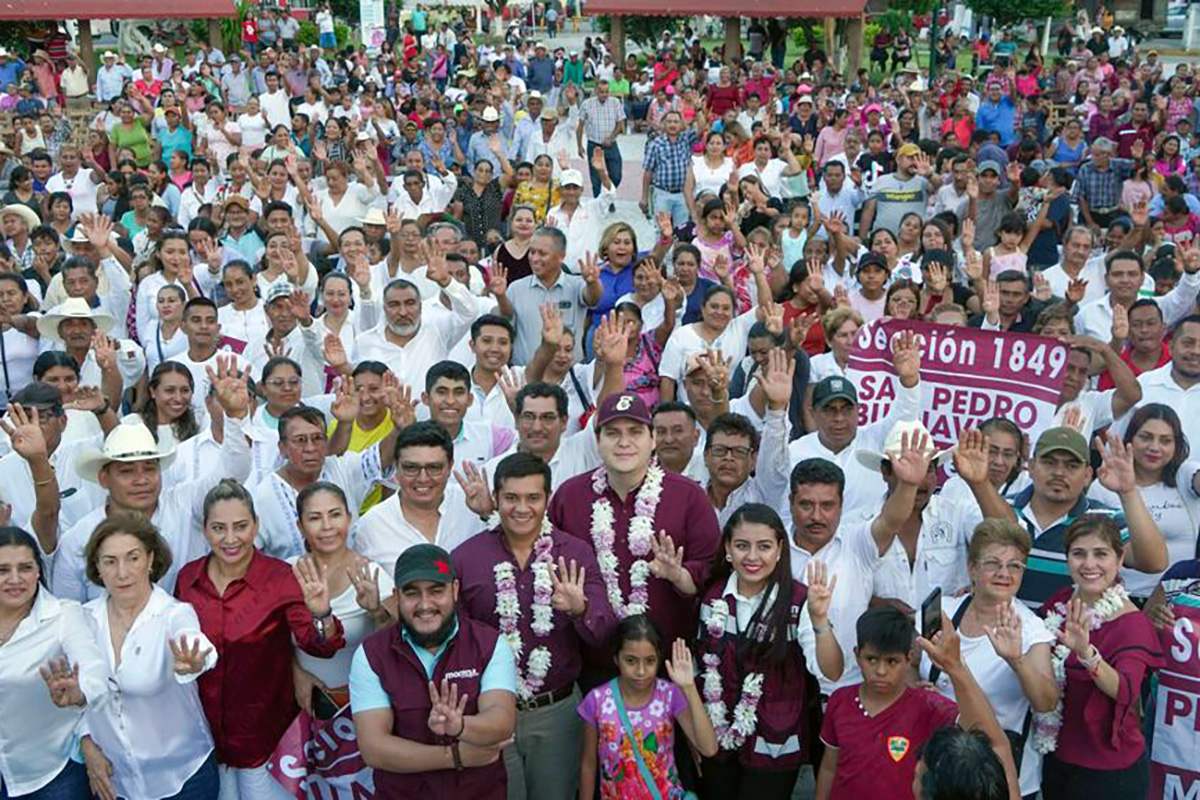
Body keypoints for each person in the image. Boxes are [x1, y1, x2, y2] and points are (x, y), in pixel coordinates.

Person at [452, 452, 616, 800]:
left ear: (548, 499)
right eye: (511, 498)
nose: (521, 508)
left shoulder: (575, 554)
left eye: (533, 498)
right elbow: (455, 643)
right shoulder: (466, 558)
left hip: (555, 713)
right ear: (495, 499)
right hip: (490, 712)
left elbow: (605, 634)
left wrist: (579, 608)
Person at [176, 479, 347, 800]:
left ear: (256, 526)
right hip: (206, 742)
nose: (230, 539)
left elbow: (318, 645)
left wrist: (322, 614)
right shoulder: (188, 579)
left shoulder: (280, 577)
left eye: (240, 526)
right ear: (205, 530)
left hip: (267, 744)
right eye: (219, 528)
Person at [548, 391, 722, 685]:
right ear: (598, 439)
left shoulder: (688, 496)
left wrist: (680, 575)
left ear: (652, 439)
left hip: (668, 668)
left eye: (635, 432)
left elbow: (712, 572)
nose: (624, 442)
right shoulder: (570, 496)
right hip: (592, 665)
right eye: (612, 433)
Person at [52, 357, 253, 603]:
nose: (141, 480)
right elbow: (69, 609)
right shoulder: (78, 539)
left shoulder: (184, 502)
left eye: (149, 468)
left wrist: (235, 417)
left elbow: (234, 471)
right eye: (127, 471)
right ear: (104, 478)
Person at [695, 503, 842, 798]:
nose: (752, 557)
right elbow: (701, 668)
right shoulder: (713, 596)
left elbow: (831, 670)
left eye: (763, 546)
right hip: (717, 739)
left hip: (775, 742)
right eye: (741, 546)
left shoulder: (799, 600)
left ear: (779, 550)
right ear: (727, 548)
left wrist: (820, 620)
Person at [351, 543, 519, 800]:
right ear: (396, 596)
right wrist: (456, 756)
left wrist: (460, 725)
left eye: (436, 591)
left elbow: (502, 722)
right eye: (412, 593)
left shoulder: (489, 644)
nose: (425, 604)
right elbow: (374, 749)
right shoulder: (371, 655)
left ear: (455, 590)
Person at [77, 513, 219, 800]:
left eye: (133, 558)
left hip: (184, 779)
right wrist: (86, 742)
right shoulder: (82, 620)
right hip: (117, 783)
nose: (122, 572)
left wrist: (195, 660)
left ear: (151, 560)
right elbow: (73, 698)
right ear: (97, 568)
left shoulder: (174, 614)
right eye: (110, 561)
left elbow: (195, 643)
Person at [916, 519, 1058, 798]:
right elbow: (909, 667)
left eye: (1015, 566)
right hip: (937, 770)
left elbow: (1046, 702)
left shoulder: (1031, 630)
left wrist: (1016, 660)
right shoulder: (943, 610)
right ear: (972, 568)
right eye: (993, 563)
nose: (1004, 573)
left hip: (996, 779)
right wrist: (916, 690)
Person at [814, 605, 1014, 800]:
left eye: (891, 661)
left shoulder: (930, 706)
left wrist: (956, 667)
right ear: (857, 655)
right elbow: (829, 767)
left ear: (909, 658)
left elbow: (987, 734)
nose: (881, 671)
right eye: (872, 659)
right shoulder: (840, 701)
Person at [1034, 517, 1162, 800]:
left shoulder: (1132, 623)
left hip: (1108, 771)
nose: (1089, 564)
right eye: (1079, 554)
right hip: (1056, 758)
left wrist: (1086, 654)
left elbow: (1126, 690)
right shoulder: (1060, 602)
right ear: (1067, 559)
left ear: (1119, 560)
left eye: (1100, 554)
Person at [0, 526, 109, 800]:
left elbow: (96, 673)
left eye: (25, 568)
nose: (14, 579)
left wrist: (80, 692)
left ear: (39, 571)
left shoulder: (63, 616)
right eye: (2, 570)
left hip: (51, 777)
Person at [1009, 426, 1168, 607]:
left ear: (1087, 475)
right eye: (1049, 462)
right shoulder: (1000, 508)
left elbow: (1154, 562)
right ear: (1031, 467)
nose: (1059, 472)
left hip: (1075, 633)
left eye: (1072, 465)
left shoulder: (1106, 519)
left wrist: (1129, 492)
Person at [577, 615, 718, 800]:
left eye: (650, 661)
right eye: (631, 660)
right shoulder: (596, 701)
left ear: (659, 659)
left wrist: (688, 687)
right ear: (616, 658)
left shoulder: (669, 695)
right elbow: (589, 764)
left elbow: (708, 748)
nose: (641, 671)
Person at [290, 481, 396, 710]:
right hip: (301, 705)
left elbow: (399, 642)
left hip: (360, 707)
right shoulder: (287, 573)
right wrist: (295, 672)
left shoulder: (371, 574)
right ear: (300, 525)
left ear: (349, 519)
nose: (327, 526)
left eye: (335, 515)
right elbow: (271, 641)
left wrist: (376, 611)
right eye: (315, 518)